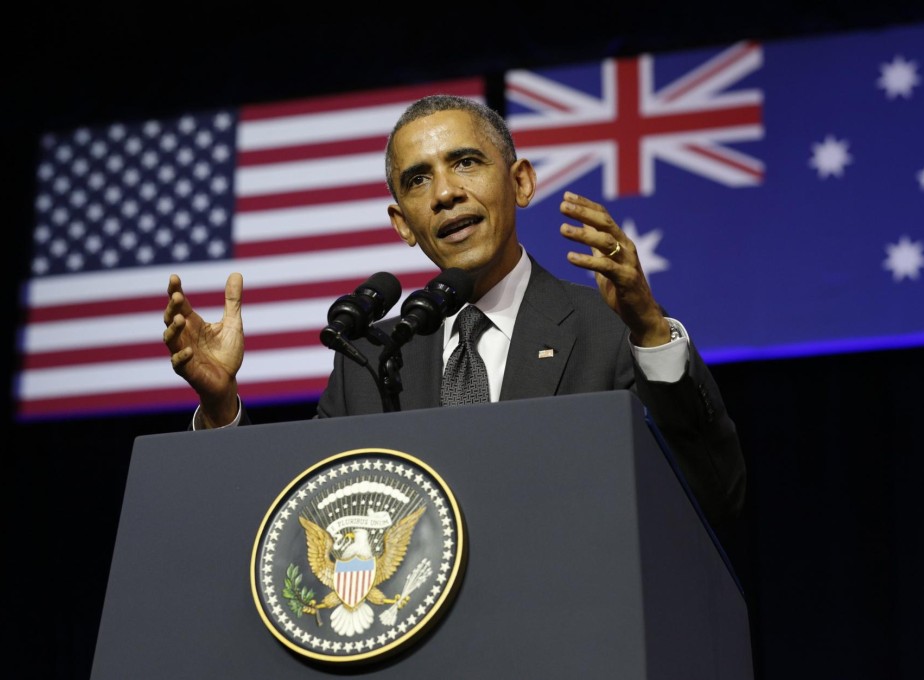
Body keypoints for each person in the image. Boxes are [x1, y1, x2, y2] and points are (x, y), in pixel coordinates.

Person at [163, 94, 745, 528]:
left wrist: (648, 331)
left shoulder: (609, 332)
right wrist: (221, 410)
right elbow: (300, 524)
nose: (444, 193)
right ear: (403, 225)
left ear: (520, 182)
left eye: (466, 162)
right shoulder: (367, 359)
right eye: (419, 179)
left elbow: (715, 496)